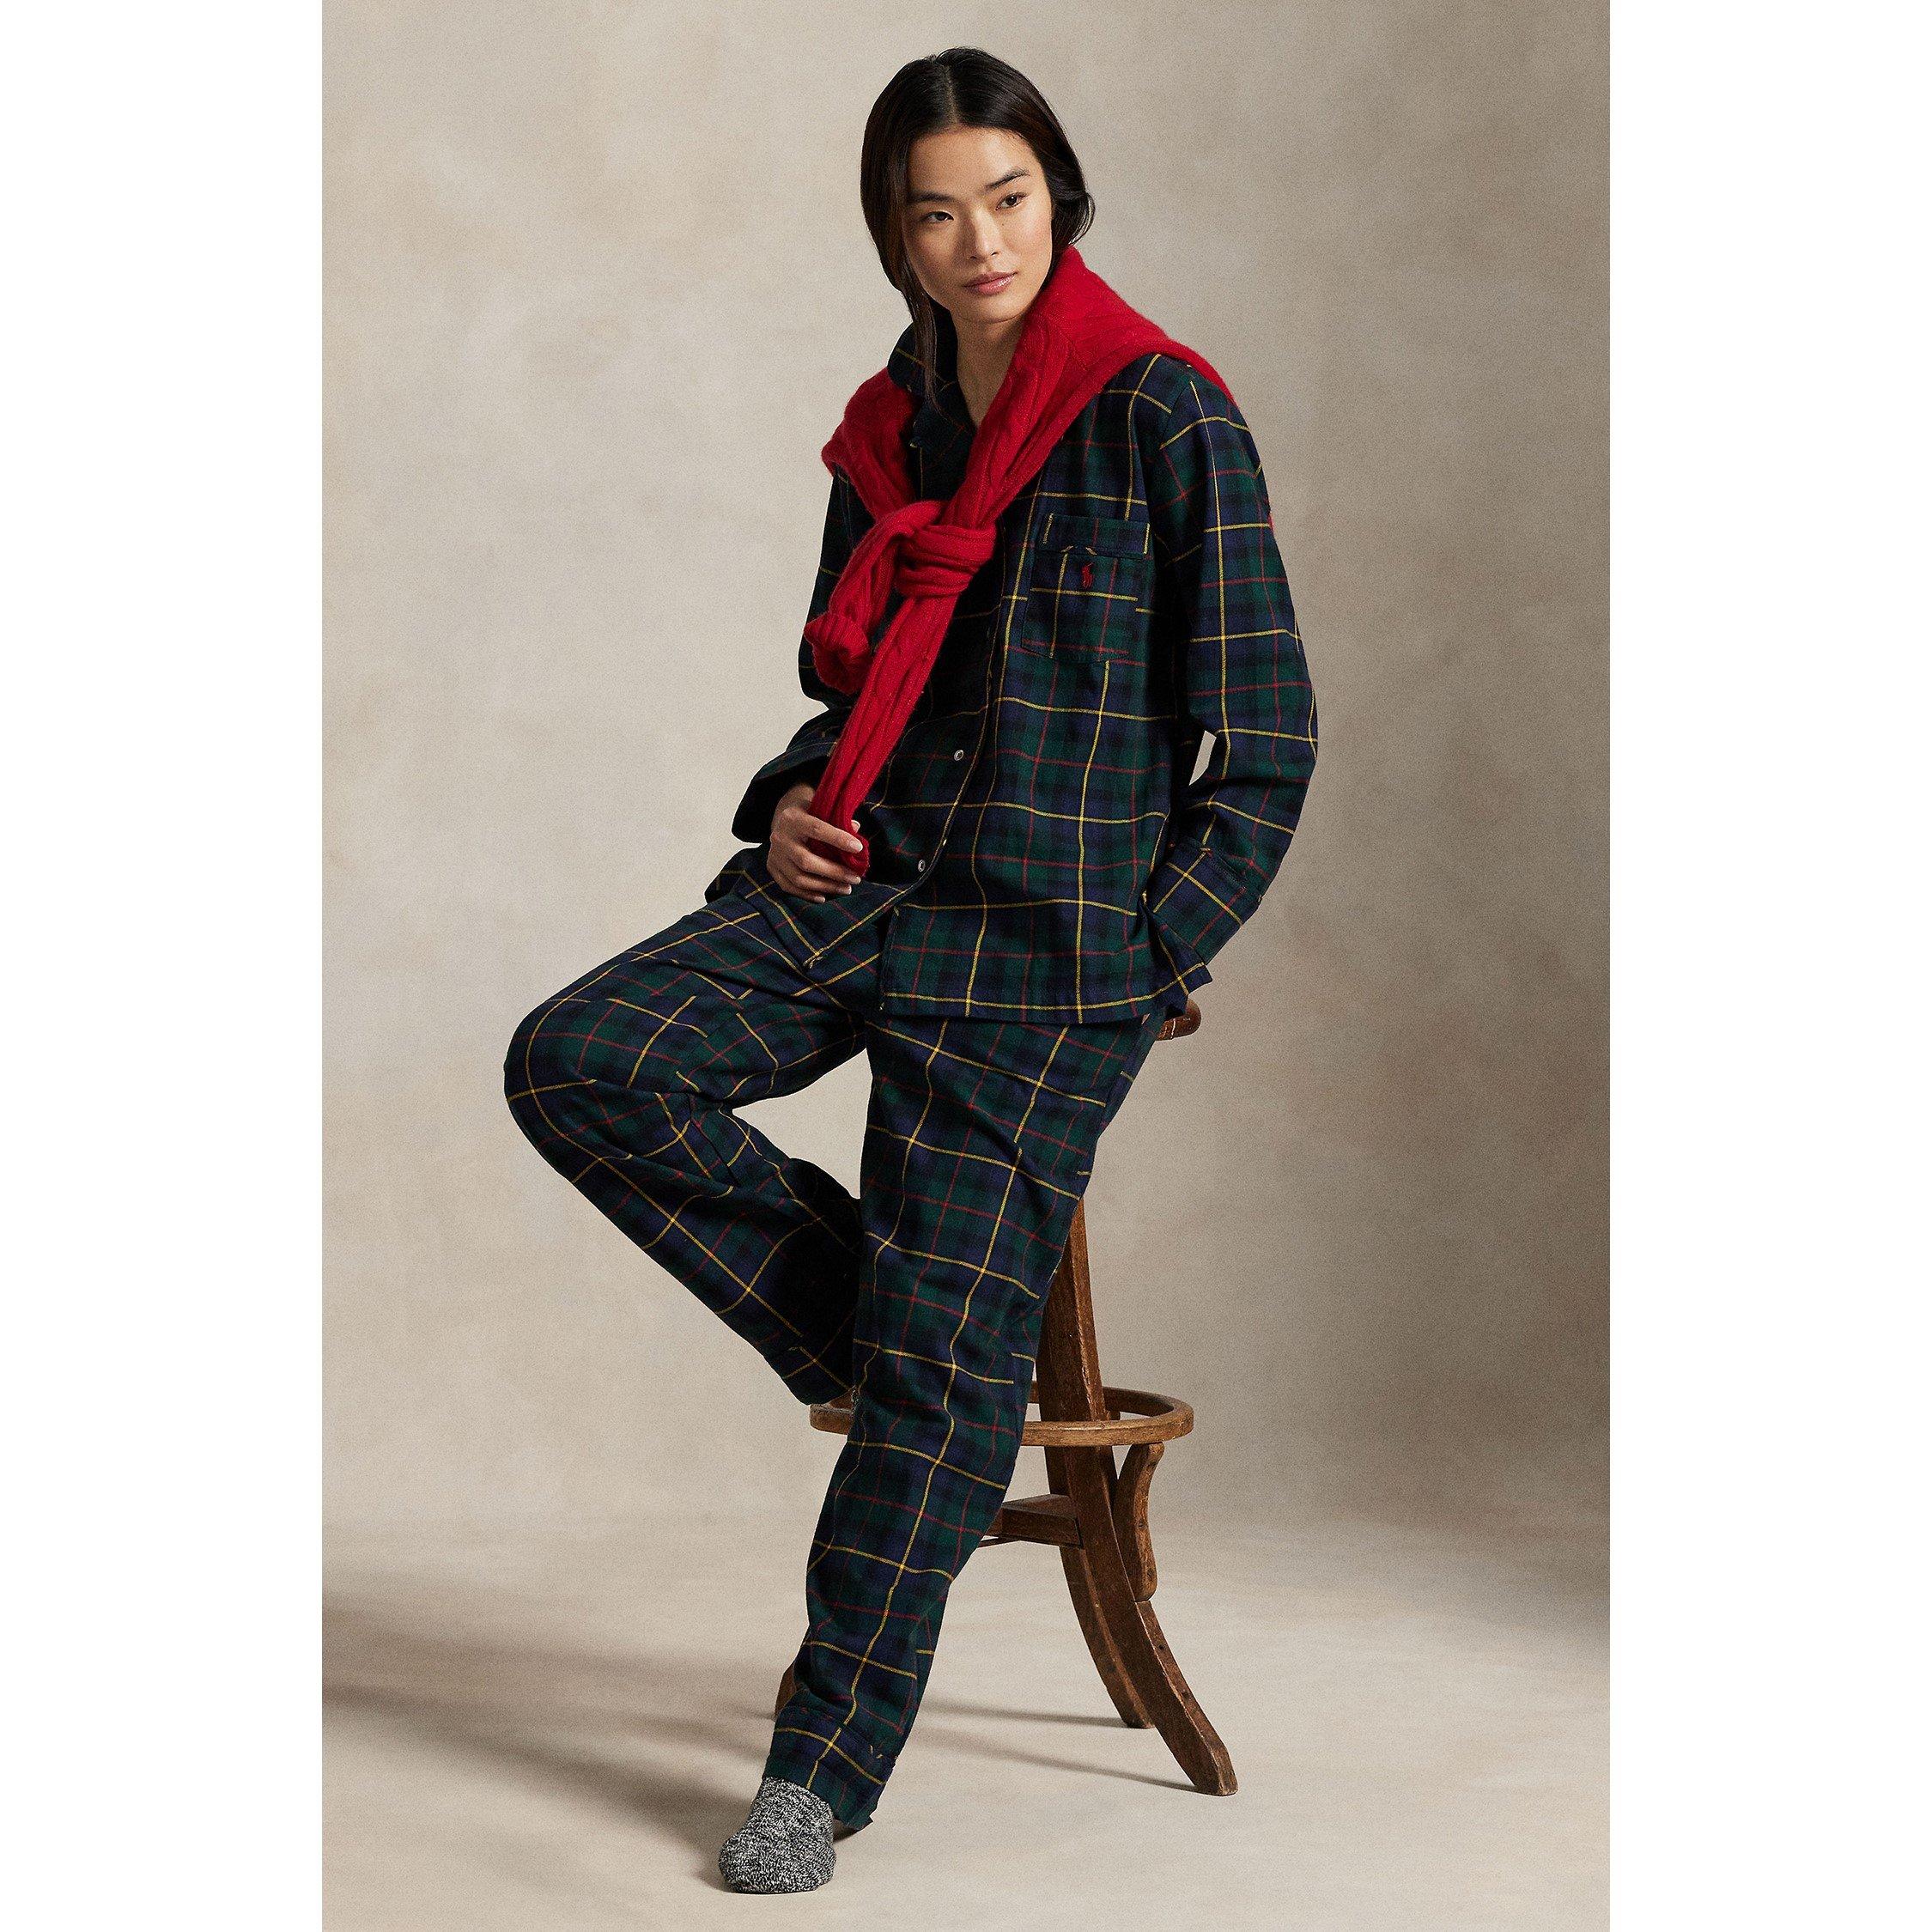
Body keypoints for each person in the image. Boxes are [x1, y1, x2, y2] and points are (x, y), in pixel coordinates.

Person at [503, 46, 1318, 1894]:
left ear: (1059, 195)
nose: (978, 243)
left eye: (1007, 199)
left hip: (1046, 951)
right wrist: (793, 802)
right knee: (580, 1058)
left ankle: (819, 1771)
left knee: (941, 1379)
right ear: (893, 232)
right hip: (869, 884)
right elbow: (857, 689)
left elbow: (1264, 746)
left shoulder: (1162, 412)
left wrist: (1147, 948)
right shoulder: (893, 426)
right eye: (935, 212)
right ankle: (915, 1344)